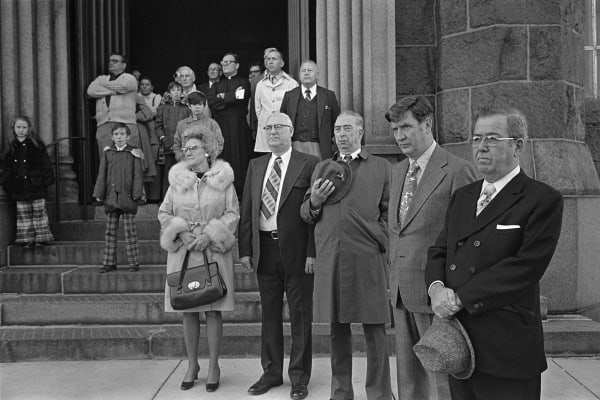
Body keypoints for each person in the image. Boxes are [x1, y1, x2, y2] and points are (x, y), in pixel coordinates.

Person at [425, 105, 564, 400]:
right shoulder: (463, 197)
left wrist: (462, 297)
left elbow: (525, 267)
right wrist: (436, 289)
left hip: (506, 346)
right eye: (476, 139)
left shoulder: (541, 199)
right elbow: (440, 250)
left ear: (517, 146)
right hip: (460, 343)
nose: (481, 147)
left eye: (492, 138)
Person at [385, 96, 477, 400]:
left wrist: (454, 291)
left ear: (428, 125)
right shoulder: (397, 171)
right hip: (400, 291)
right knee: (408, 379)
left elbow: (468, 238)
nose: (400, 136)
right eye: (396, 129)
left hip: (436, 294)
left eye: (406, 127)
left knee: (441, 381)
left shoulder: (457, 170)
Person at [300, 111, 394, 400]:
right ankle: (340, 393)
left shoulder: (381, 167)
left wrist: (377, 237)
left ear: (361, 132)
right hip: (332, 258)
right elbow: (305, 214)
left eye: (348, 128)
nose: (341, 134)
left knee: (375, 329)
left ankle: (379, 393)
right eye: (338, 129)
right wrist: (314, 201)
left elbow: (391, 215)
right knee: (336, 329)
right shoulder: (322, 168)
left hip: (366, 257)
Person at [239, 112, 319, 400]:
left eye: (277, 127)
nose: (272, 132)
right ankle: (271, 372)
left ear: (291, 130)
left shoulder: (308, 164)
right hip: (264, 249)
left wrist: (312, 252)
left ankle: (299, 377)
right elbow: (248, 208)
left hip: (297, 252)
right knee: (269, 314)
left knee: (300, 315)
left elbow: (314, 215)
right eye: (268, 127)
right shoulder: (256, 164)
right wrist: (245, 248)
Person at [158, 128, 239, 393]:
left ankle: (214, 365)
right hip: (183, 250)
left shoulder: (223, 179)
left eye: (193, 148)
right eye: (185, 148)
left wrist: (209, 234)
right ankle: (192, 364)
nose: (187, 152)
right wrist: (180, 230)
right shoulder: (176, 180)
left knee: (213, 309)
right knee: (188, 309)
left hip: (212, 250)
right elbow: (164, 212)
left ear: (207, 150)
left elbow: (232, 213)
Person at [93, 123, 144, 273]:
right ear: (112, 137)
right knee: (110, 231)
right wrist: (99, 194)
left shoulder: (133, 153)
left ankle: (133, 263)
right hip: (111, 197)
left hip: (127, 197)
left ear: (128, 137)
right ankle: (109, 262)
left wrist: (137, 194)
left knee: (130, 231)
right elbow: (102, 175)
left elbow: (138, 176)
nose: (119, 137)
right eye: (116, 134)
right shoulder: (108, 153)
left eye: (122, 134)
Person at [0, 116, 54, 248]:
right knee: (24, 213)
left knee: (39, 212)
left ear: (29, 129)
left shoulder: (36, 145)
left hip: (36, 184)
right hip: (19, 186)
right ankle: (27, 238)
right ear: (13, 128)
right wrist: (6, 183)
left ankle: (41, 238)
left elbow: (45, 163)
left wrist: (46, 180)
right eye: (18, 127)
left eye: (24, 127)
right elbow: (6, 167)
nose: (21, 130)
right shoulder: (11, 147)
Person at [207, 52, 253, 196]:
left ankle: (242, 193)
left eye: (228, 62)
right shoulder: (216, 84)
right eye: (223, 62)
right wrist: (232, 97)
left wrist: (223, 97)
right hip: (222, 126)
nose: (225, 65)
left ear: (237, 65)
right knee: (223, 158)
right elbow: (213, 103)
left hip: (239, 126)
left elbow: (243, 96)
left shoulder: (244, 82)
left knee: (242, 159)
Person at [280, 60, 340, 159]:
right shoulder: (289, 95)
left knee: (319, 174)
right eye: (303, 70)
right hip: (294, 146)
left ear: (317, 74)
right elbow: (282, 120)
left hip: (320, 147)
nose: (306, 73)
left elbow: (336, 121)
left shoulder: (328, 95)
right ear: (299, 75)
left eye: (310, 70)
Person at [87, 53, 139, 157]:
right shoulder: (102, 78)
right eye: (110, 60)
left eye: (115, 61)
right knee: (106, 159)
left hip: (125, 123)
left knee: (126, 158)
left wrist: (102, 87)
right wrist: (114, 91)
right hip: (104, 124)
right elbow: (91, 91)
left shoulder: (129, 78)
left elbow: (124, 86)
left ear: (123, 65)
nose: (111, 63)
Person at [254, 49, 298, 152]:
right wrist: (264, 122)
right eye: (268, 59)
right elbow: (258, 109)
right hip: (266, 130)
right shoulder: (260, 84)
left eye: (274, 59)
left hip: (283, 130)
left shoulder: (292, 84)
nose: (270, 61)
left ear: (282, 63)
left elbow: (294, 110)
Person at [154, 81, 191, 197]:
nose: (176, 93)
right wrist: (163, 138)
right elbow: (158, 126)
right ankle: (167, 200)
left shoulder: (186, 108)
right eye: (173, 90)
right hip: (168, 145)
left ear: (182, 93)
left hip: (183, 146)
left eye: (178, 90)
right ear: (169, 93)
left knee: (184, 172)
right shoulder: (162, 108)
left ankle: (184, 199)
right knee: (169, 173)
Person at [173, 91, 223, 162]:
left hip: (207, 164)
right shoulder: (181, 124)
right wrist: (182, 158)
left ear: (204, 106)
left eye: (200, 104)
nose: (197, 107)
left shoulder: (212, 123)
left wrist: (208, 156)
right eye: (194, 104)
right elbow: (176, 145)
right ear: (189, 106)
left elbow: (219, 143)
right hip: (187, 164)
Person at [249, 47, 277, 140]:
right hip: (262, 127)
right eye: (266, 58)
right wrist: (253, 129)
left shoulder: (290, 80)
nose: (269, 61)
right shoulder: (256, 82)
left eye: (273, 58)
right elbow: (254, 107)